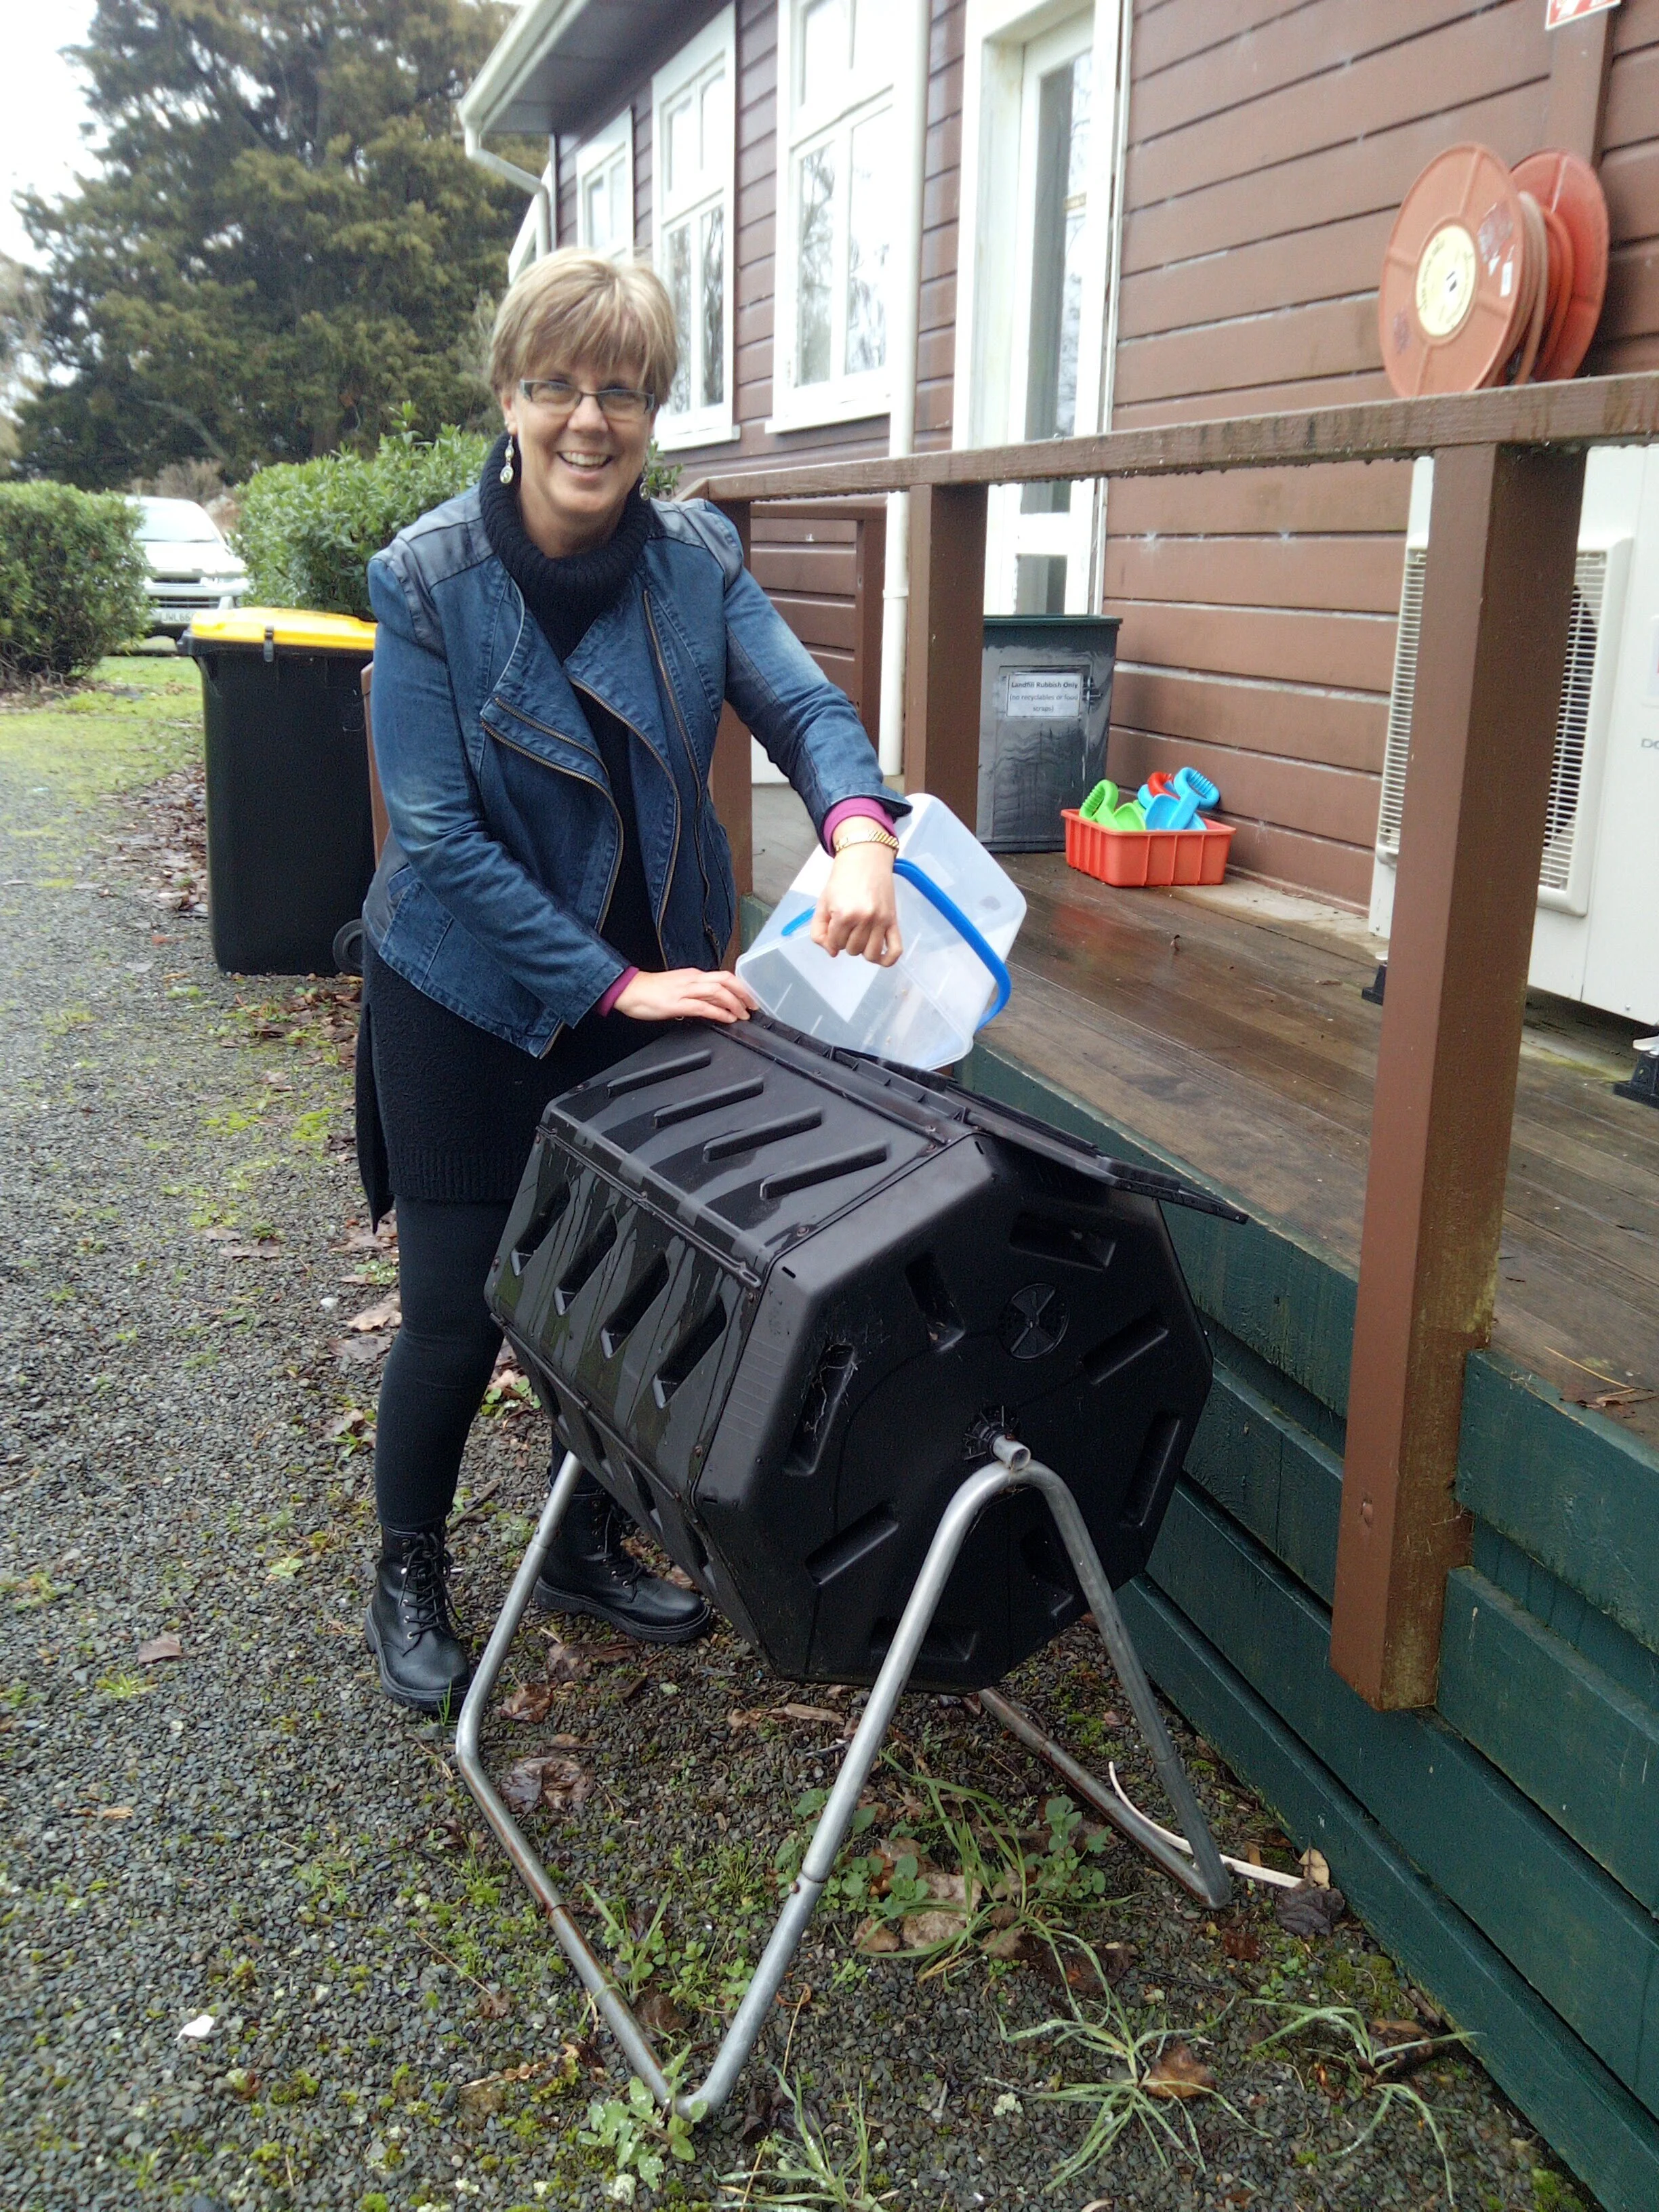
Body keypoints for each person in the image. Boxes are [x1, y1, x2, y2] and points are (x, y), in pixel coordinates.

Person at [356, 249, 905, 1713]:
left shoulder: (694, 561)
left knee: (620, 1293)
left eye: (624, 391)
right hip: (468, 996)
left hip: (648, 987)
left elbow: (804, 706)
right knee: (458, 1310)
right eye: (557, 385)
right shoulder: (425, 581)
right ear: (508, 397)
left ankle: (581, 1542)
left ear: (656, 414)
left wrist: (859, 830)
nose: (588, 420)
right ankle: (408, 1566)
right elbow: (439, 839)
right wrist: (614, 986)